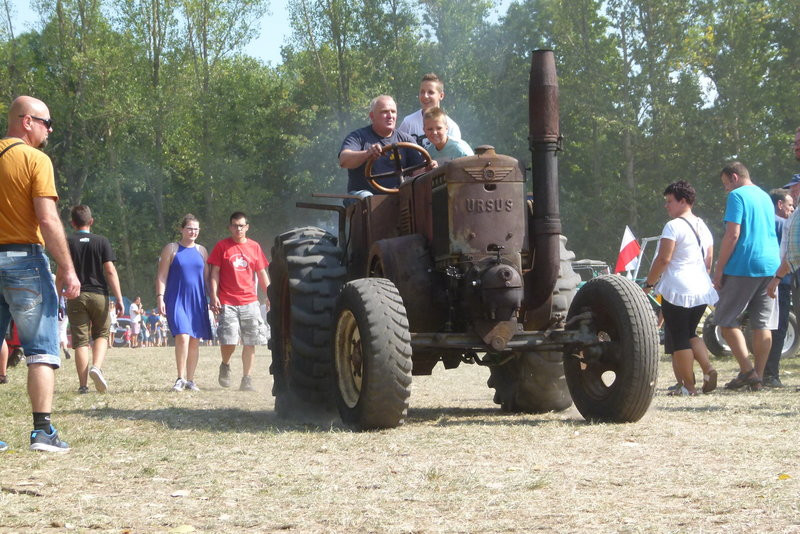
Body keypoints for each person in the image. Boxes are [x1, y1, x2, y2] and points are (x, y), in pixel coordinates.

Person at [0, 96, 81, 453]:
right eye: (47, 123)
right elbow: (47, 219)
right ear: (27, 121)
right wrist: (67, 266)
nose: (50, 130)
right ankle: (42, 432)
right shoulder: (35, 160)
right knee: (41, 349)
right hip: (25, 262)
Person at [643, 181, 718, 395]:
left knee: (678, 337)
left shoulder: (673, 226)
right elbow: (709, 259)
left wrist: (649, 284)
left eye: (669, 202)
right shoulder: (703, 225)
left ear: (683, 201)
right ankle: (708, 368)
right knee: (690, 332)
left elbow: (663, 259)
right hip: (701, 288)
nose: (666, 206)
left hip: (678, 288)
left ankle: (689, 387)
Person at [714, 162, 780, 391]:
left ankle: (747, 370)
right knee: (763, 323)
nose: (725, 190)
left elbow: (733, 234)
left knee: (725, 320)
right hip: (771, 265)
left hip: (744, 264)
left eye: (725, 184)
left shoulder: (737, 196)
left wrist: (719, 268)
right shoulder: (764, 196)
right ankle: (759, 377)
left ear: (734, 177)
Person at [65, 205, 124, 394]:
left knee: (80, 341)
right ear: (91, 221)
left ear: (72, 223)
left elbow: (61, 272)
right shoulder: (102, 241)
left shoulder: (68, 242)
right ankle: (96, 367)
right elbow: (110, 270)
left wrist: (57, 294)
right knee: (101, 334)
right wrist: (120, 298)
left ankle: (83, 386)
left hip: (76, 295)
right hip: (99, 295)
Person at [208, 212, 269, 391]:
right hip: (228, 301)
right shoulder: (222, 246)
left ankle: (247, 378)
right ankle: (225, 364)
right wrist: (214, 295)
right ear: (230, 227)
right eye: (235, 225)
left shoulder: (255, 247)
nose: (238, 228)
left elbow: (262, 273)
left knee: (251, 341)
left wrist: (270, 294)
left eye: (241, 225)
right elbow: (214, 273)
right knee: (229, 340)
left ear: (247, 227)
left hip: (250, 301)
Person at [155, 214, 213, 391]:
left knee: (195, 339)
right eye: (189, 228)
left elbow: (207, 278)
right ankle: (180, 378)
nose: (193, 232)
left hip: (197, 300)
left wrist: (212, 298)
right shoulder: (171, 249)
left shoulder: (202, 251)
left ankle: (191, 380)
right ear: (181, 229)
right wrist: (160, 297)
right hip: (176, 298)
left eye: (196, 229)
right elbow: (162, 276)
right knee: (182, 335)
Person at [339, 95, 435, 199]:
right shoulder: (358, 137)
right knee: (366, 197)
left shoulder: (406, 140)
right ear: (372, 116)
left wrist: (427, 169)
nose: (390, 116)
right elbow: (344, 160)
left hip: (397, 196)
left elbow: (416, 170)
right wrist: (367, 153)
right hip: (363, 200)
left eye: (393, 112)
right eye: (384, 112)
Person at [763, 187, 795, 388]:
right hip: (780, 281)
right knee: (779, 327)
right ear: (779, 204)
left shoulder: (764, 223)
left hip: (764, 278)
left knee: (764, 326)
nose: (792, 209)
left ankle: (761, 370)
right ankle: (771, 374)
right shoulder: (785, 224)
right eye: (790, 205)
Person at [398, 73, 462, 145]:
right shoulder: (408, 123)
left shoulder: (452, 128)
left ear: (441, 95)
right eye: (422, 92)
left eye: (430, 92)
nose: (425, 96)